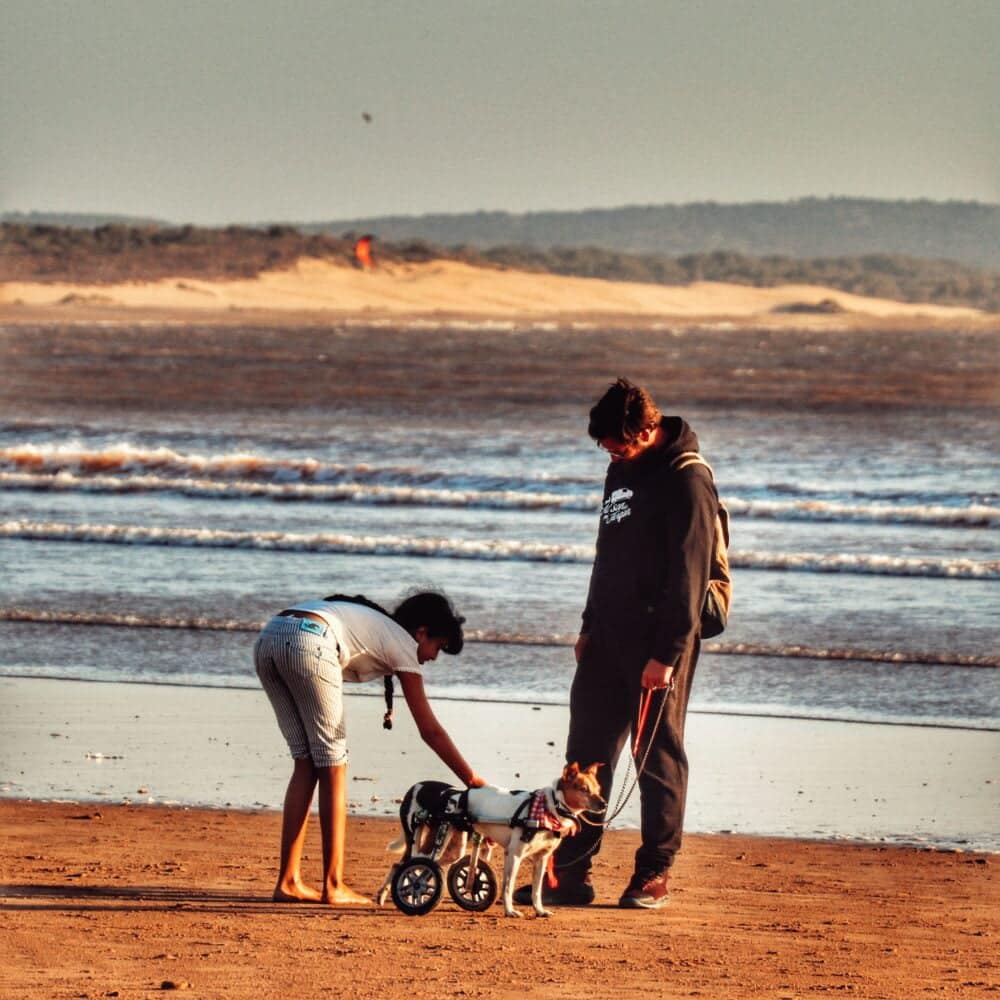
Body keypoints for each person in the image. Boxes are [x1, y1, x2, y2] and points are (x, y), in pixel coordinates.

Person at [517, 377, 719, 910]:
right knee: (585, 755)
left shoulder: (687, 480)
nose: (611, 451)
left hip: (658, 644)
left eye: (620, 443)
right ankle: (571, 873)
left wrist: (667, 654)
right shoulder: (618, 469)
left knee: (655, 757)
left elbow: (690, 575)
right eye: (606, 444)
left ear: (649, 428)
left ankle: (654, 873)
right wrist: (587, 626)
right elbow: (605, 555)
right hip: (605, 636)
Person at [254, 590, 486, 905]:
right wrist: (472, 780)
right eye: (437, 646)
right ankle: (333, 885)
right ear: (420, 633)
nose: (433, 657)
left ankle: (288, 881)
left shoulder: (381, 630)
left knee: (306, 761)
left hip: (271, 636)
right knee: (334, 764)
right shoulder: (404, 643)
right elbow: (429, 730)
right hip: (310, 641)